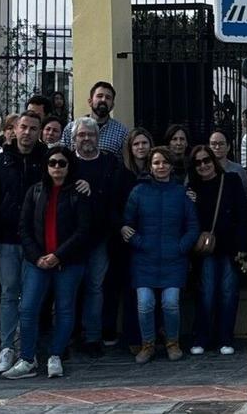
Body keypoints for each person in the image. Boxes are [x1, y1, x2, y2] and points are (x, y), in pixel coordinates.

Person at [1, 147, 92, 380]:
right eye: (53, 163)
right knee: (28, 307)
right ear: (46, 165)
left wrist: (58, 255)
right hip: (37, 262)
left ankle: (56, 355)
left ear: (69, 166)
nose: (57, 167)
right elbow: (24, 228)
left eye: (62, 163)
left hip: (68, 262)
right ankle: (27, 359)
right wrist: (37, 256)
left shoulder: (78, 193)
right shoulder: (35, 191)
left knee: (64, 309)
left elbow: (83, 231)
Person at [0, 111, 48, 374]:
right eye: (23, 127)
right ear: (14, 129)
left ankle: (29, 349)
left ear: (39, 131)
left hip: (36, 241)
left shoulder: (46, 160)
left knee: (32, 298)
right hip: (7, 239)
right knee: (8, 294)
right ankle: (8, 346)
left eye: (33, 128)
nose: (28, 132)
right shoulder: (0, 161)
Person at [123, 147, 199, 364]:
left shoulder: (181, 193)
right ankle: (148, 344)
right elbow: (127, 225)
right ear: (150, 166)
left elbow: (193, 227)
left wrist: (180, 247)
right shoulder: (138, 192)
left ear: (171, 165)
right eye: (156, 163)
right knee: (145, 303)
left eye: (165, 162)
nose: (161, 167)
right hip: (144, 259)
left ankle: (172, 343)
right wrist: (140, 243)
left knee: (171, 303)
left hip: (174, 260)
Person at [188, 145, 247, 356]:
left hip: (230, 248)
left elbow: (242, 215)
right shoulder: (192, 189)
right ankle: (202, 337)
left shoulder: (230, 180)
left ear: (214, 161)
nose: (203, 165)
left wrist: (242, 247)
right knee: (206, 293)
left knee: (228, 293)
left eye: (206, 160)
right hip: (205, 250)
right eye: (198, 163)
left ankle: (225, 338)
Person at [72, 117, 118, 355]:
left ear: (98, 138)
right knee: (70, 287)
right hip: (72, 239)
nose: (87, 139)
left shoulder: (110, 162)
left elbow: (115, 198)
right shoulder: (67, 163)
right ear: (74, 138)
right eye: (82, 135)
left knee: (95, 287)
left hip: (100, 236)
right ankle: (69, 335)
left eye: (91, 134)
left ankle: (92, 337)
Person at [105, 127, 153, 351]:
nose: (141, 148)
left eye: (144, 143)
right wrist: (121, 227)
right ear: (129, 148)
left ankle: (150, 336)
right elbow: (112, 207)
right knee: (126, 289)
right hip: (125, 240)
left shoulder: (156, 171)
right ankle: (131, 336)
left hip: (150, 239)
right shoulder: (121, 174)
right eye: (136, 144)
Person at [60, 81, 129, 154]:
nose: (103, 100)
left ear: (112, 105)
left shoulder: (122, 132)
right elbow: (62, 157)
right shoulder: (71, 128)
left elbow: (124, 162)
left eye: (108, 98)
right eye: (99, 96)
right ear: (90, 102)